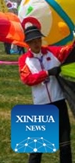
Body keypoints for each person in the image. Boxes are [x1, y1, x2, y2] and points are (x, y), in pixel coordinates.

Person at [19, 25, 73, 163]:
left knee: (65, 142)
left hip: (59, 101)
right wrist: (47, 73)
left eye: (38, 40)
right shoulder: (24, 60)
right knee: (37, 146)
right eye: (33, 42)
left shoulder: (52, 52)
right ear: (28, 43)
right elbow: (27, 79)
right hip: (41, 104)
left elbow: (68, 51)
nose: (36, 44)